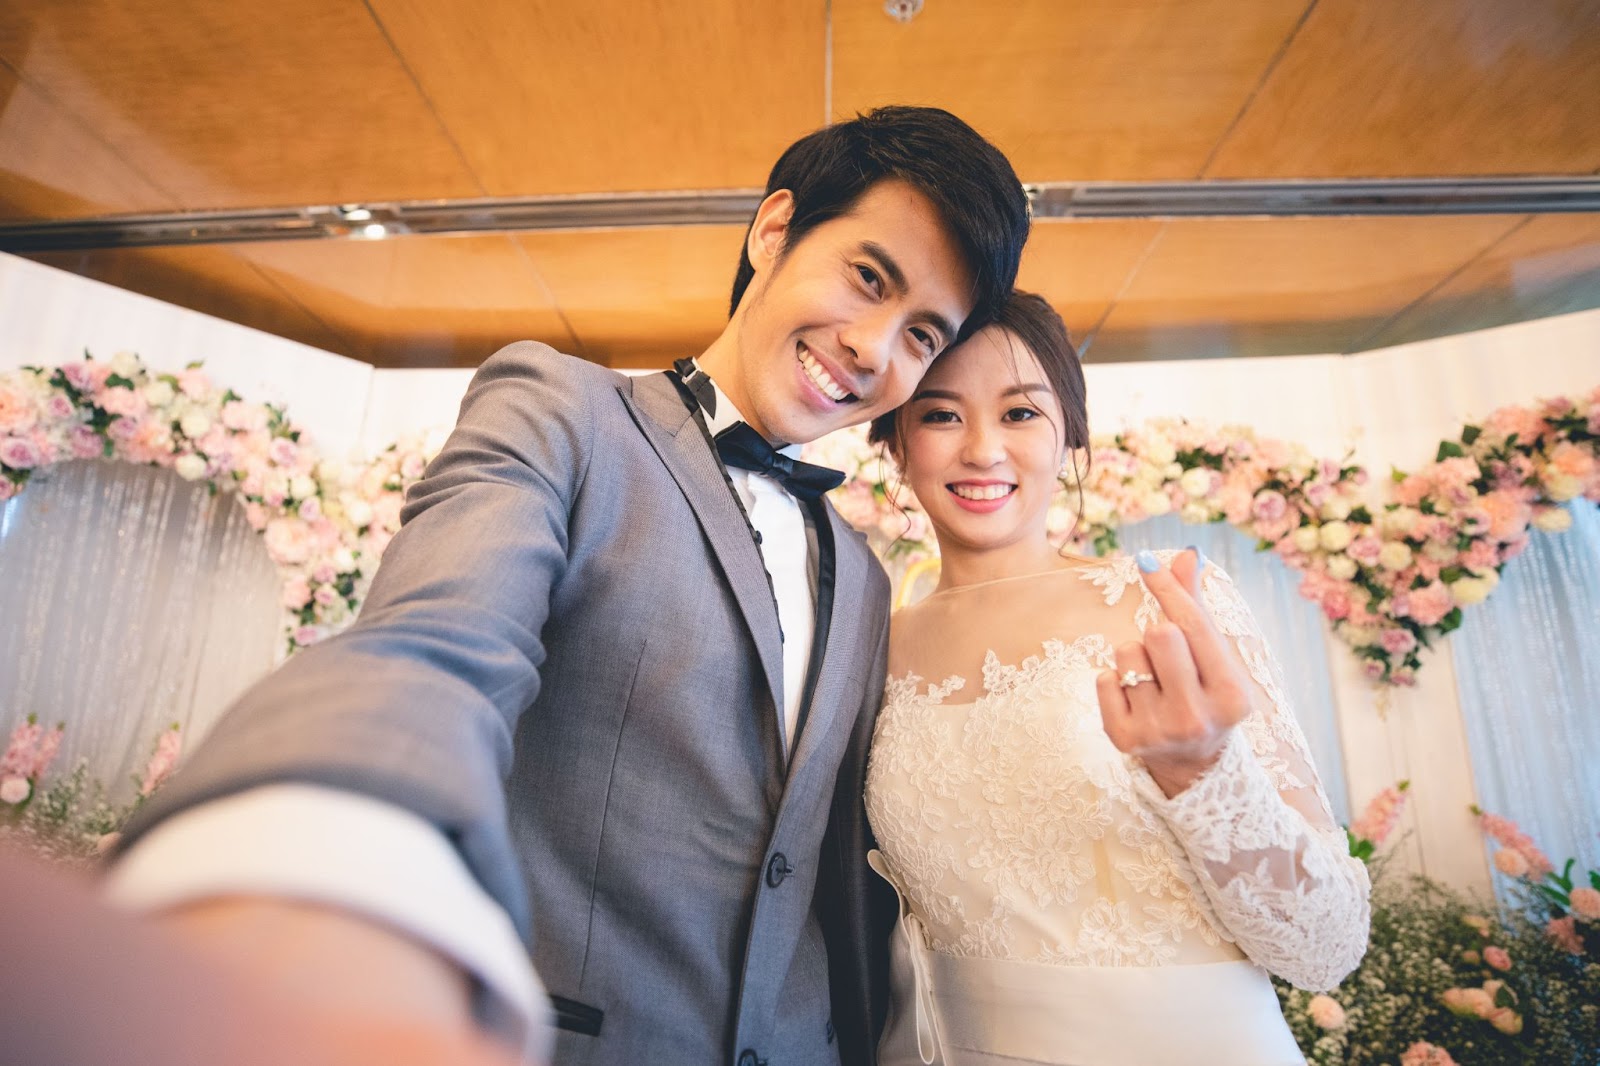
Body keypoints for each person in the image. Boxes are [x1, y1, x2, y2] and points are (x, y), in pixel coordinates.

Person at [104, 107, 1031, 1066]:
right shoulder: (563, 414)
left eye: (922, 333)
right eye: (867, 278)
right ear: (774, 230)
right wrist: (323, 846)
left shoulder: (866, 576)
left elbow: (837, 873)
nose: (876, 349)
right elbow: (437, 649)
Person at [862, 292, 1371, 1066]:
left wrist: (1203, 775)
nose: (983, 451)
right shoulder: (870, 647)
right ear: (895, 439)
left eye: (1021, 413)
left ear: (1069, 431)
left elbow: (1324, 946)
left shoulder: (1164, 607)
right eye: (939, 415)